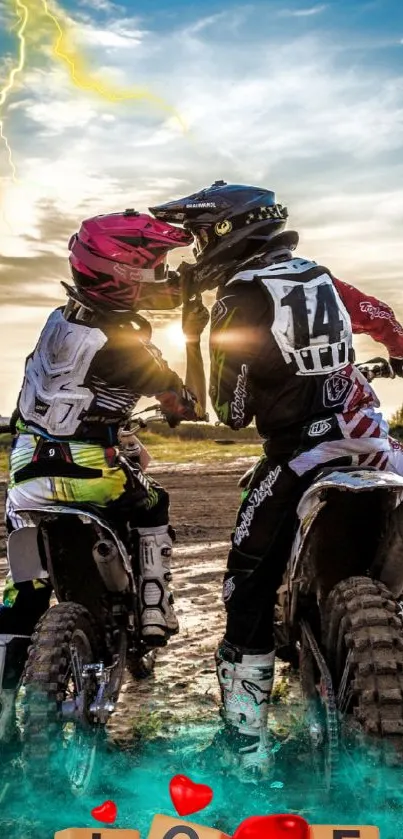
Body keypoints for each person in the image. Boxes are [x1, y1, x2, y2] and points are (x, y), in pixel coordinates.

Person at [150, 181, 403, 779]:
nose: (194, 252)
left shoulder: (238, 296)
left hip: (302, 455)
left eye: (199, 237)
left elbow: (231, 412)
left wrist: (195, 337)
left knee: (245, 585)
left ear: (226, 233)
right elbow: (381, 317)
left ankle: (245, 747)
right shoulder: (320, 276)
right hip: (375, 448)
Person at [0, 210, 207, 696]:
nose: (156, 277)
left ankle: (5, 696)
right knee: (153, 502)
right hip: (91, 468)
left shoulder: (59, 321)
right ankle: (155, 607)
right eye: (149, 268)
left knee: (25, 587)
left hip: (27, 468)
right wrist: (193, 336)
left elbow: (122, 298)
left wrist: (180, 289)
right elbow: (187, 405)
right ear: (122, 275)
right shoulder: (127, 346)